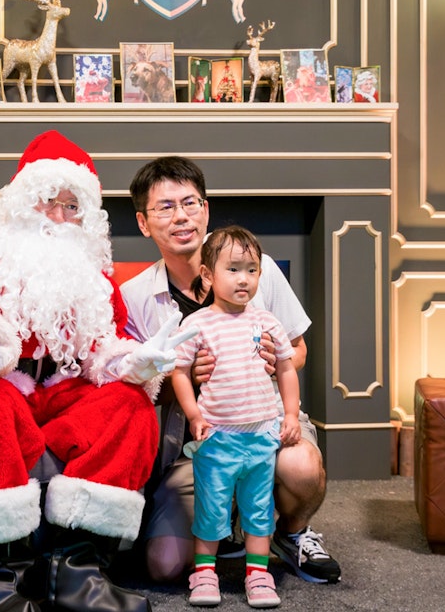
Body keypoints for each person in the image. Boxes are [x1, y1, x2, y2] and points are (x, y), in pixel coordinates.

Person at [0, 131, 196, 612]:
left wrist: (131, 364)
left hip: (61, 390)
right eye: (48, 202)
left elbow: (101, 347)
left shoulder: (89, 270)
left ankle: (79, 574)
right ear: (22, 201)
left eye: (72, 207)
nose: (59, 218)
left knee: (130, 405)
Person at [119, 156, 341, 587]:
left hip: (265, 424)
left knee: (301, 467)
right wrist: (184, 377)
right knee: (164, 565)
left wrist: (270, 362)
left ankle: (291, 533)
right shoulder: (134, 298)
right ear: (144, 223)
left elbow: (298, 349)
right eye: (165, 207)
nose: (181, 216)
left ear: (206, 209)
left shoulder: (259, 267)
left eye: (190, 203)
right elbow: (134, 387)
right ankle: (230, 518)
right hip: (199, 443)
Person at [171, 226, 301, 608]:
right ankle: (204, 573)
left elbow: (286, 367)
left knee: (259, 510)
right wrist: (194, 414)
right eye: (233, 269)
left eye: (252, 270)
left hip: (261, 436)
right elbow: (180, 372)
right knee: (211, 508)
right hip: (217, 439)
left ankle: (258, 575)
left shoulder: (267, 322)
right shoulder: (197, 324)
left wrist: (290, 414)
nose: (244, 279)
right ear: (208, 275)